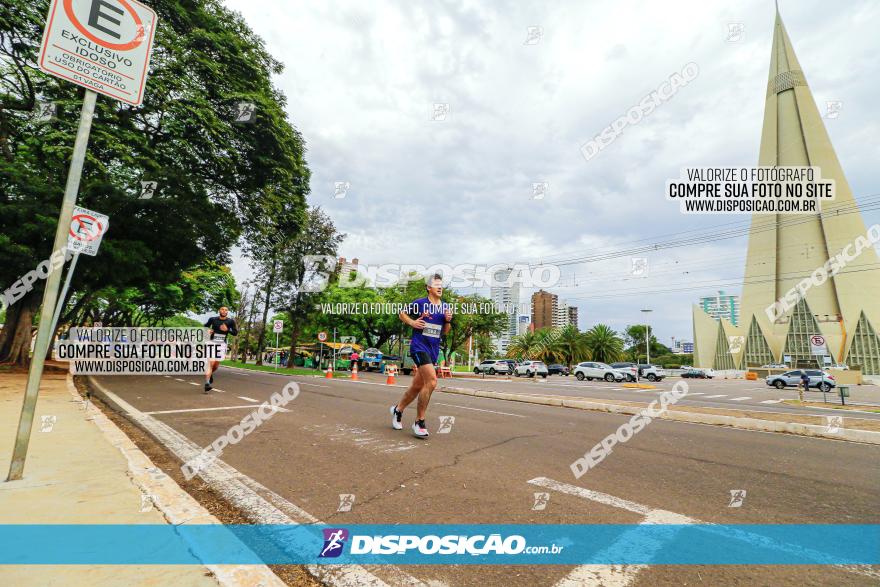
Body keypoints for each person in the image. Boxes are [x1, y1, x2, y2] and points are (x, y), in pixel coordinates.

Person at [390, 274, 452, 437]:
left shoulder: (445, 307)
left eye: (441, 285)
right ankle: (419, 422)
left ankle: (398, 409)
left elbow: (445, 332)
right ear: (428, 287)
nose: (440, 287)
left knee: (417, 386)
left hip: (433, 351)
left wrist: (447, 321)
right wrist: (412, 322)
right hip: (419, 347)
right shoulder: (420, 303)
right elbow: (402, 314)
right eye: (436, 284)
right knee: (432, 381)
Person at [204, 306, 238, 393]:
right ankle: (207, 383)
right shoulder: (212, 319)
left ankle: (210, 374)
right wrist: (208, 331)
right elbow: (205, 327)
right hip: (211, 342)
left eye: (226, 310)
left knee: (215, 365)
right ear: (219, 310)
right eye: (222, 309)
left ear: (227, 312)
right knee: (211, 363)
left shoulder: (230, 321)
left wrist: (228, 330)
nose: (224, 311)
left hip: (222, 345)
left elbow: (235, 333)